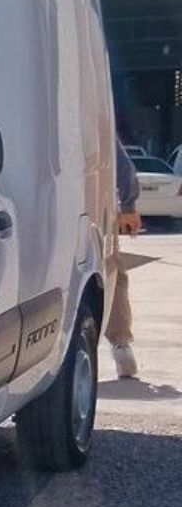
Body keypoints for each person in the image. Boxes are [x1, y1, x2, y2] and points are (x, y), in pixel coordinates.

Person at [108, 139, 142, 378]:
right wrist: (128, 206)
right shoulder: (87, 109)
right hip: (94, 203)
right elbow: (122, 164)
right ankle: (121, 345)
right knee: (113, 273)